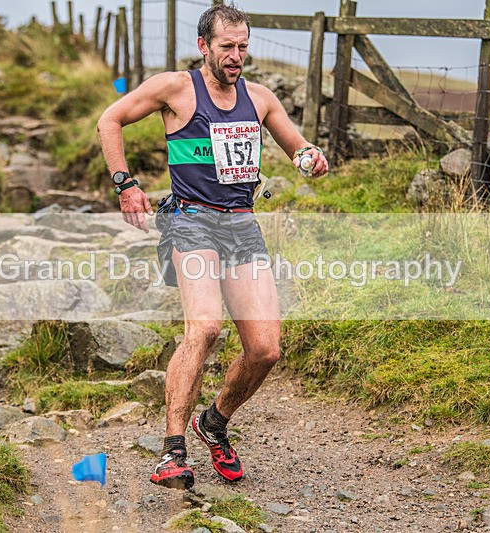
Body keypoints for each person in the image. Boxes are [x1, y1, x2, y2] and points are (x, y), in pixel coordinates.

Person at [97, 3, 328, 490]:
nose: (236, 55)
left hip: (242, 227)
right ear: (204, 46)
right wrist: (125, 183)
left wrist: (310, 155)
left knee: (265, 350)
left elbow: (296, 145)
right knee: (203, 328)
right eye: (227, 46)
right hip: (191, 221)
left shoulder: (261, 99)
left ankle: (215, 422)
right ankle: (172, 452)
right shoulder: (176, 89)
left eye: (243, 46)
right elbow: (110, 119)